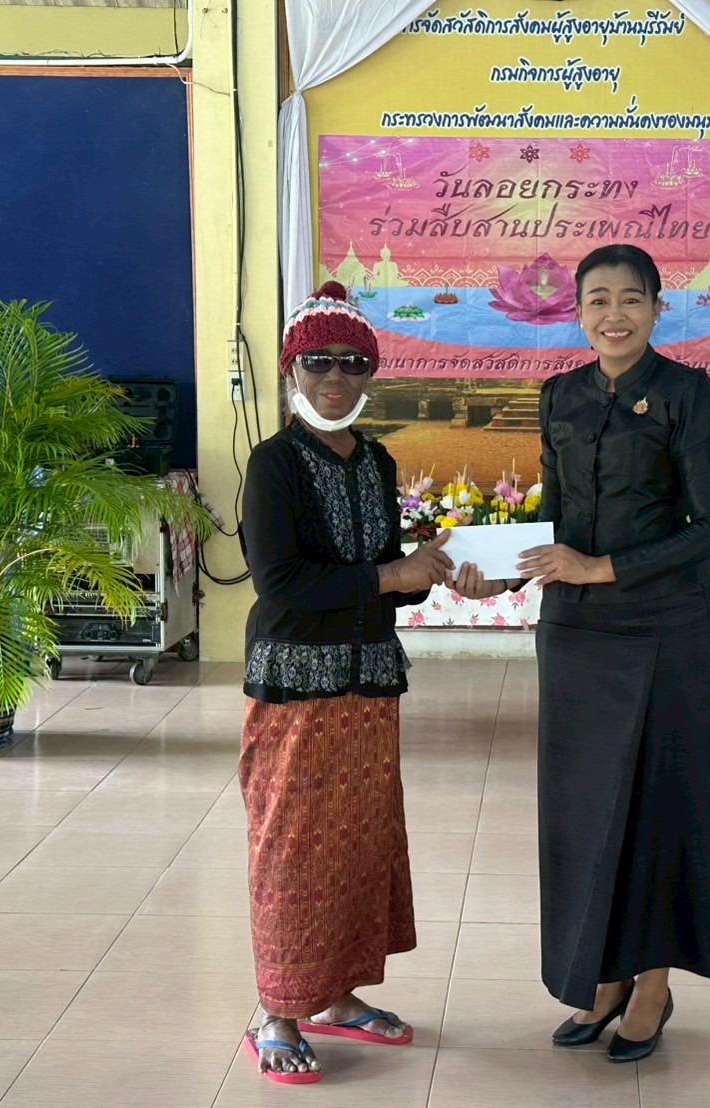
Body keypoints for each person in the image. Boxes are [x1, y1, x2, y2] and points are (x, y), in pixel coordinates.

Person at [459, 243, 710, 1062]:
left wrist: (601, 567)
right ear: (575, 312)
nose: (614, 314)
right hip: (575, 630)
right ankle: (601, 977)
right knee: (581, 810)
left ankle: (652, 983)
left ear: (656, 309)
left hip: (664, 624)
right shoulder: (560, 396)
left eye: (630, 299)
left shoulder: (683, 391)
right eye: (598, 300)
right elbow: (558, 518)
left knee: (658, 801)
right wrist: (502, 574)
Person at [238, 281, 453, 1085]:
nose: (335, 377)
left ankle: (336, 997)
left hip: (369, 689)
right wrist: (392, 574)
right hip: (296, 690)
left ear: (371, 372)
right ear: (292, 369)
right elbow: (281, 584)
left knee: (359, 846)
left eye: (353, 363)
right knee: (291, 851)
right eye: (318, 361)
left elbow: (384, 577)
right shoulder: (274, 464)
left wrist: (438, 574)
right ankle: (277, 1013)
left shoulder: (376, 460)